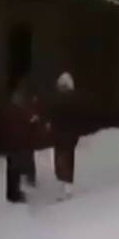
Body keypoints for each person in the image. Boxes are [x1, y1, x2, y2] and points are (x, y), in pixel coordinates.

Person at [49, 72, 80, 200]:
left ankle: (66, 188)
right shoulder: (64, 99)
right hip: (64, 134)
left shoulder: (67, 100)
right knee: (64, 160)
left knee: (63, 160)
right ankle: (65, 186)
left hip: (65, 134)